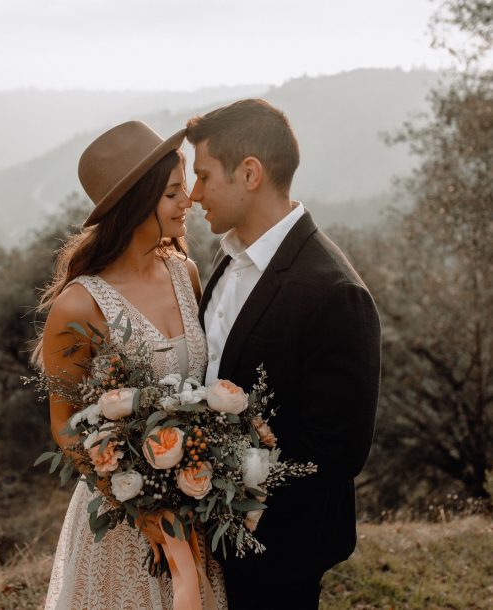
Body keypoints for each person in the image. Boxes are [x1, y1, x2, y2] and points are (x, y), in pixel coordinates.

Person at [185, 99, 381, 609]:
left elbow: (337, 451)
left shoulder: (334, 292)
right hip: (208, 544)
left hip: (279, 555)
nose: (193, 194)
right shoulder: (228, 259)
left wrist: (232, 497)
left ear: (249, 174)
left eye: (203, 176)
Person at [33, 121, 228, 610]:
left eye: (184, 189)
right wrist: (135, 502)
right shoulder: (78, 306)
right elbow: (64, 426)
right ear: (136, 204)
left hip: (195, 507)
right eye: (172, 193)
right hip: (123, 523)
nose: (188, 201)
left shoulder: (185, 273)